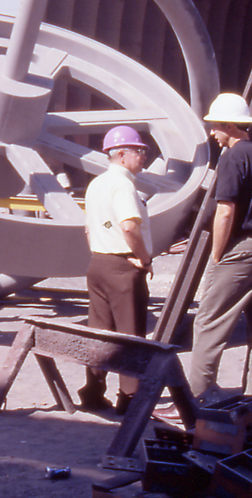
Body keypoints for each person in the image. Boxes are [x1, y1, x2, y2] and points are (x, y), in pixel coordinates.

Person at [180, 93, 252, 407]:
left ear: (230, 126)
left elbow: (226, 211)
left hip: (241, 247)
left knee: (209, 320)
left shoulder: (232, 157)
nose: (212, 134)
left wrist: (218, 254)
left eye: (215, 127)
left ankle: (197, 396)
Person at [79, 125, 154, 415]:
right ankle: (130, 398)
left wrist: (102, 247)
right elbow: (128, 227)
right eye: (140, 151)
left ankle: (92, 391)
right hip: (123, 266)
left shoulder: (96, 184)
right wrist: (144, 259)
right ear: (121, 155)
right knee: (130, 334)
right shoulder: (123, 185)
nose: (144, 156)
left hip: (98, 262)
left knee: (99, 332)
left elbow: (90, 227)